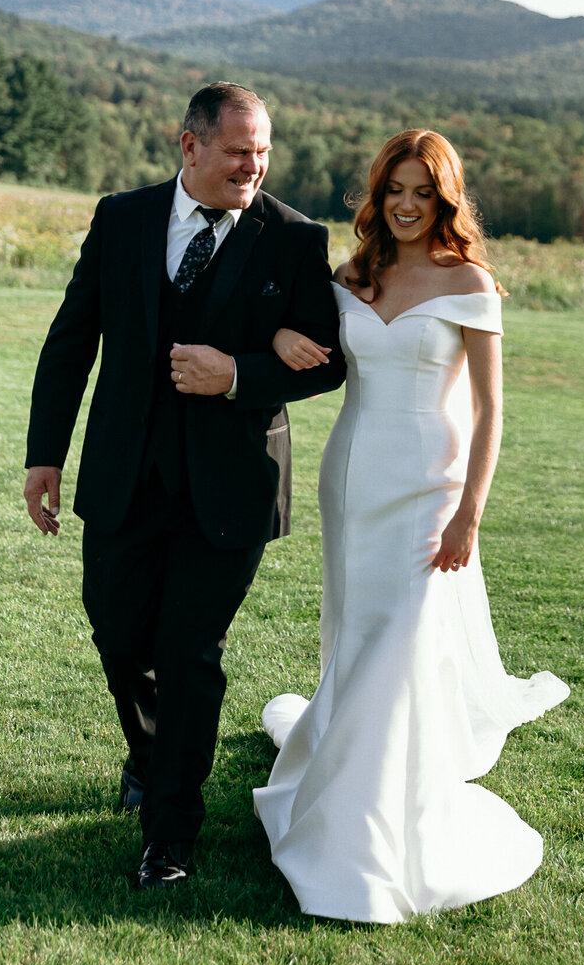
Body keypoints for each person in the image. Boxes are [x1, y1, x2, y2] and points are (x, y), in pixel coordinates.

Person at [23, 82, 345, 889]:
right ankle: (149, 755)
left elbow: (329, 360)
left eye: (264, 150)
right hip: (124, 473)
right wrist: (44, 455)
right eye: (239, 149)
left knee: (189, 652)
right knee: (117, 632)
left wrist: (237, 372)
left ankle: (171, 835)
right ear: (189, 145)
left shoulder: (295, 238)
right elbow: (72, 339)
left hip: (232, 485)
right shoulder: (122, 217)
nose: (254, 164)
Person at [253, 129, 570, 922]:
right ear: (377, 192)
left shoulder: (471, 281)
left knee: (403, 642)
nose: (404, 204)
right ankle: (341, 778)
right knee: (358, 636)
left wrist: (470, 512)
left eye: (422, 192)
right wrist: (276, 336)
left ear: (445, 199)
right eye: (394, 188)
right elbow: (316, 352)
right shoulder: (358, 273)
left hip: (432, 490)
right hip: (353, 481)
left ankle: (375, 827)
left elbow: (493, 410)